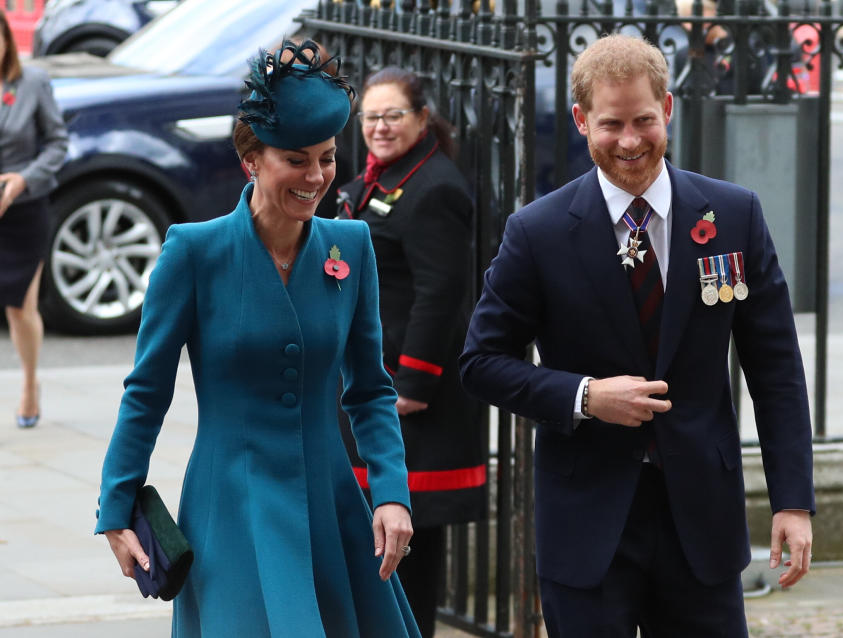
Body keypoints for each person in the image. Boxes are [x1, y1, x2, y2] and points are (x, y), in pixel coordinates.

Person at [460, 34, 814, 637]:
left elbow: (776, 368)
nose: (630, 141)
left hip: (700, 517)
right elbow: (481, 361)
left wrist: (793, 500)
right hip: (588, 524)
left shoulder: (733, 215)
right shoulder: (537, 233)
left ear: (668, 109)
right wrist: (584, 397)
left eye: (644, 121)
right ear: (581, 121)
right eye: (611, 124)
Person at [95, 40, 421, 638]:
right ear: (252, 159)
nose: (317, 176)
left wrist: (392, 494)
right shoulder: (194, 253)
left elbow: (370, 391)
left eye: (326, 158)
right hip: (231, 509)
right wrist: (115, 509)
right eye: (296, 160)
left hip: (331, 507)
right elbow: (146, 393)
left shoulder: (353, 248)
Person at [335, 67, 486, 638]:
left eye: (393, 115)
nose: (379, 126)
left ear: (422, 119)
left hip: (411, 406)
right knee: (376, 556)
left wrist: (413, 384)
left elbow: (442, 294)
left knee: (409, 564)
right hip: (377, 392)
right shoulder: (381, 179)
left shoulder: (436, 186)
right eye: (371, 116)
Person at [0, 9, 68, 429]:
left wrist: (23, 180)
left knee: (19, 309)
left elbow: (57, 144)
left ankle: (28, 383)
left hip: (24, 211)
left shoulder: (34, 82)